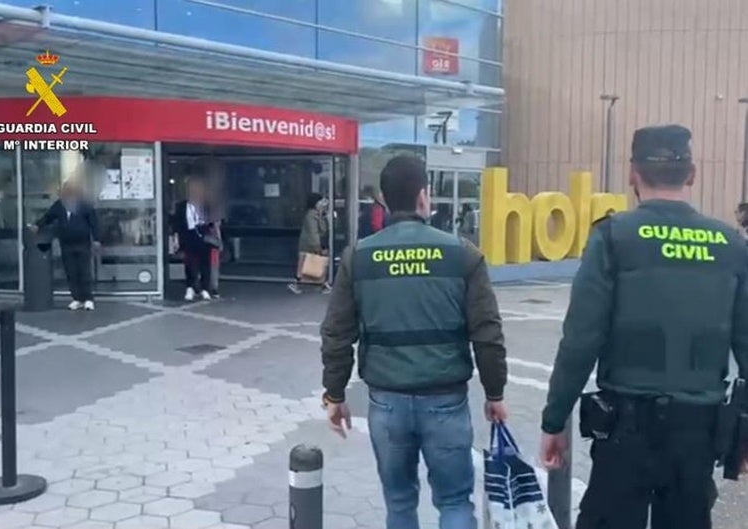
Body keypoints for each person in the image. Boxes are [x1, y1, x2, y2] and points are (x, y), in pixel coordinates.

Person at [540, 125, 748, 529]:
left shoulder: (614, 237)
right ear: (692, 174)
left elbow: (581, 340)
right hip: (697, 433)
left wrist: (554, 421)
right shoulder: (731, 245)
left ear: (632, 173)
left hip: (624, 431)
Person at [320, 155, 509, 529]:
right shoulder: (462, 254)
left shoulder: (358, 257)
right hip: (446, 400)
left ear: (386, 200)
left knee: (400, 502)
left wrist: (335, 394)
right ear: (425, 196)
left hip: (387, 402)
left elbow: (337, 333)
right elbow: (487, 332)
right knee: (455, 501)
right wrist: (495, 392)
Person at [33, 178, 100, 311]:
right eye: (66, 191)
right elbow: (48, 217)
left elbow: (94, 223)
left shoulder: (85, 205)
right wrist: (37, 225)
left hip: (82, 243)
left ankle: (88, 299)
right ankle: (77, 298)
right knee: (71, 272)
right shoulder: (59, 205)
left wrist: (96, 240)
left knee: (84, 272)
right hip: (66, 244)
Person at [173, 176, 213, 302]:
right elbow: (177, 223)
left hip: (203, 236)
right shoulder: (181, 206)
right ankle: (190, 287)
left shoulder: (206, 205)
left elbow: (213, 221)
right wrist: (176, 238)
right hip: (188, 236)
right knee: (189, 263)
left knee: (205, 264)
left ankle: (205, 288)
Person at [288, 192, 330, 295]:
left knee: (305, 267)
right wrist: (318, 247)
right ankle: (322, 285)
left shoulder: (316, 214)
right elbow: (314, 232)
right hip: (310, 244)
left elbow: (322, 229)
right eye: (321, 201)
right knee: (316, 265)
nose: (323, 204)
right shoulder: (311, 215)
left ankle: (322, 285)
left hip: (308, 244)